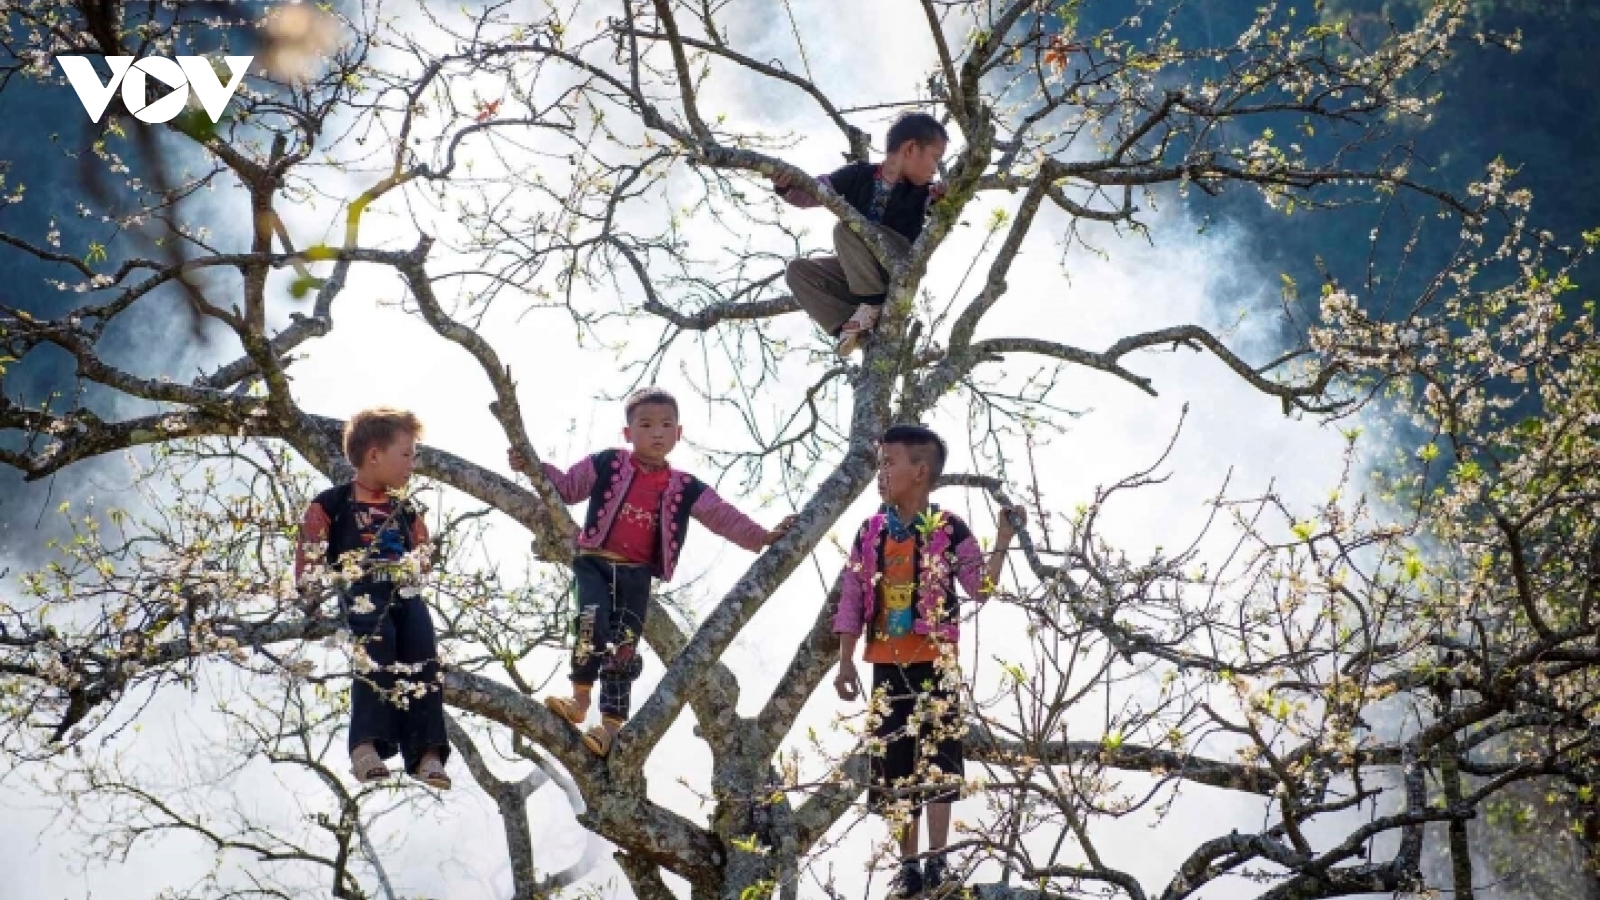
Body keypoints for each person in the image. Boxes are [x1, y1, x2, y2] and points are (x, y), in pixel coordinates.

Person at [509, 386, 798, 755]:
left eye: (666, 425)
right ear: (628, 434)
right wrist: (533, 466)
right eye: (645, 425)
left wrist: (763, 536)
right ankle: (579, 698)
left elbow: (721, 515)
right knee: (589, 622)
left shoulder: (684, 486)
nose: (657, 432)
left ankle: (610, 725)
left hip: (636, 575)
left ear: (679, 433)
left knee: (624, 646)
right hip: (594, 563)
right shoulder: (608, 462)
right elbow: (566, 488)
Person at [832, 424, 1023, 898]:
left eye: (889, 464)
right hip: (885, 666)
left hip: (936, 664)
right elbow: (853, 596)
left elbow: (980, 588)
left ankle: (939, 861)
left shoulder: (950, 527)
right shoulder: (870, 531)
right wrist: (845, 660)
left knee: (939, 760)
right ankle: (908, 865)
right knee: (895, 764)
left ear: (920, 472)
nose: (882, 473)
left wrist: (1002, 537)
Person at [295, 408, 451, 789]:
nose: (411, 464)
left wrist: (423, 559)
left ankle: (426, 752)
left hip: (406, 592)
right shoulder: (332, 503)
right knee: (375, 653)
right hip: (362, 590)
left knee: (423, 657)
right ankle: (365, 746)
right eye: (406, 455)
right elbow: (310, 547)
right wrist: (310, 593)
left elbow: (423, 552)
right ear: (375, 455)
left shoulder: (405, 508)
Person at [775, 112, 949, 357]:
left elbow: (937, 206)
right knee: (797, 271)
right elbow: (813, 192)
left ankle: (873, 305)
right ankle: (855, 329)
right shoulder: (858, 175)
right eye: (935, 157)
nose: (936, 168)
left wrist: (944, 198)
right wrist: (786, 186)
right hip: (860, 274)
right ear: (910, 148)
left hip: (898, 265)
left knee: (849, 228)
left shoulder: (924, 192)